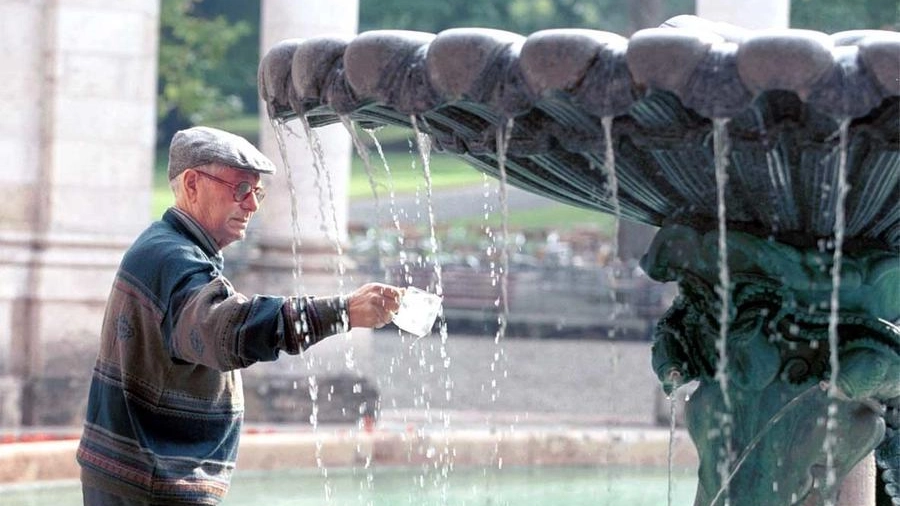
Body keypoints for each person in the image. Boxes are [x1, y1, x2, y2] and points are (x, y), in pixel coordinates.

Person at [76, 126, 402, 505]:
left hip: (138, 478)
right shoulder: (173, 259)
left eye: (257, 192)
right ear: (192, 184)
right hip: (154, 485)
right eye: (240, 190)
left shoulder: (169, 249)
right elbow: (230, 332)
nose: (252, 205)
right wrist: (342, 312)